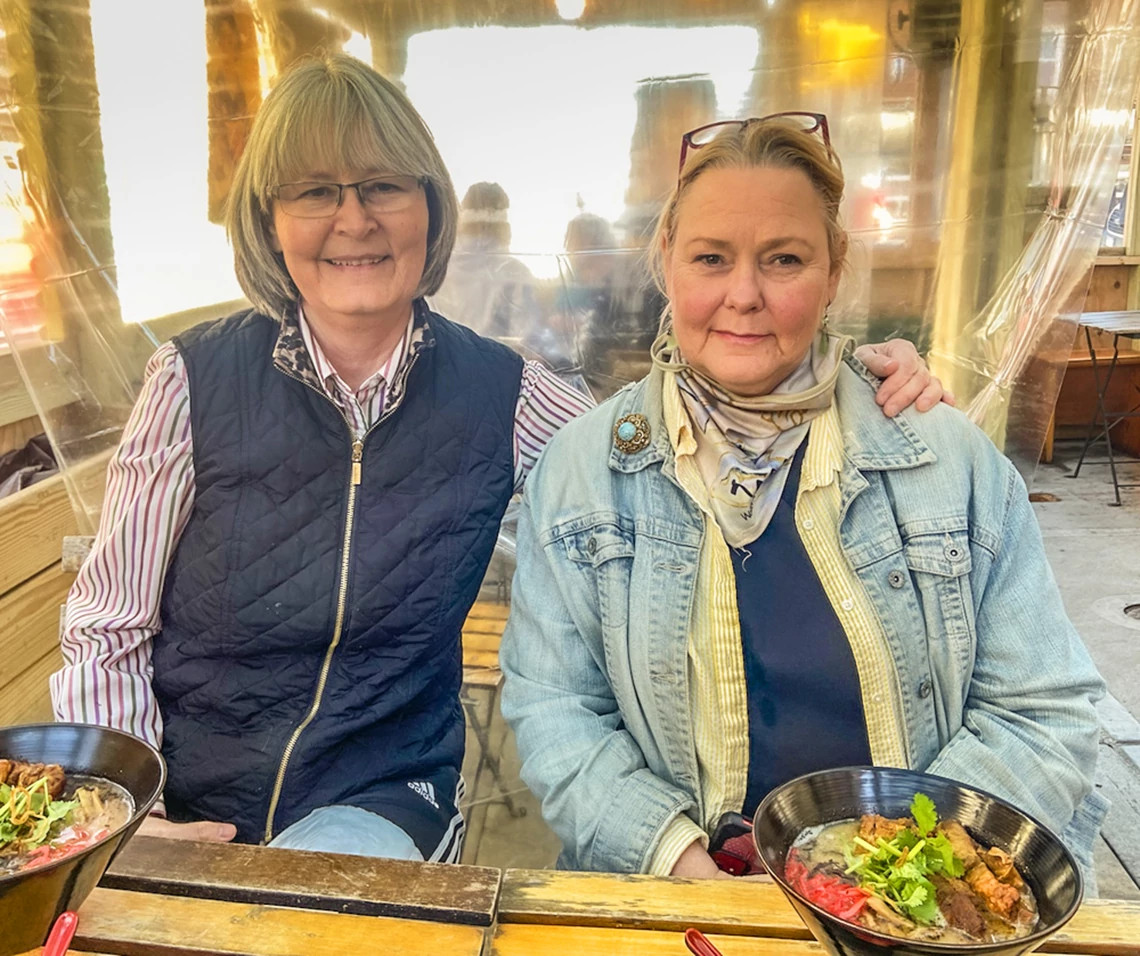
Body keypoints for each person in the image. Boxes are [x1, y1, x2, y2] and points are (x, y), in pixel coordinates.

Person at [51, 57, 944, 863]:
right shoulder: (192, 379)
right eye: (315, 191)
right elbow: (108, 623)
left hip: (382, 791)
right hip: (174, 784)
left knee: (311, 910)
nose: (353, 220)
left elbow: (669, 442)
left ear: (429, 207)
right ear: (269, 218)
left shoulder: (504, 392)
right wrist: (126, 806)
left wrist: (850, 381)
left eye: (383, 186)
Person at [499, 113, 1107, 890]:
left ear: (834, 270)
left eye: (783, 259)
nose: (743, 296)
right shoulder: (583, 473)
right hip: (683, 892)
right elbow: (557, 714)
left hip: (916, 896)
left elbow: (1044, 711)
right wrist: (689, 869)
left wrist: (877, 883)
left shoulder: (947, 463)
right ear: (666, 263)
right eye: (711, 258)